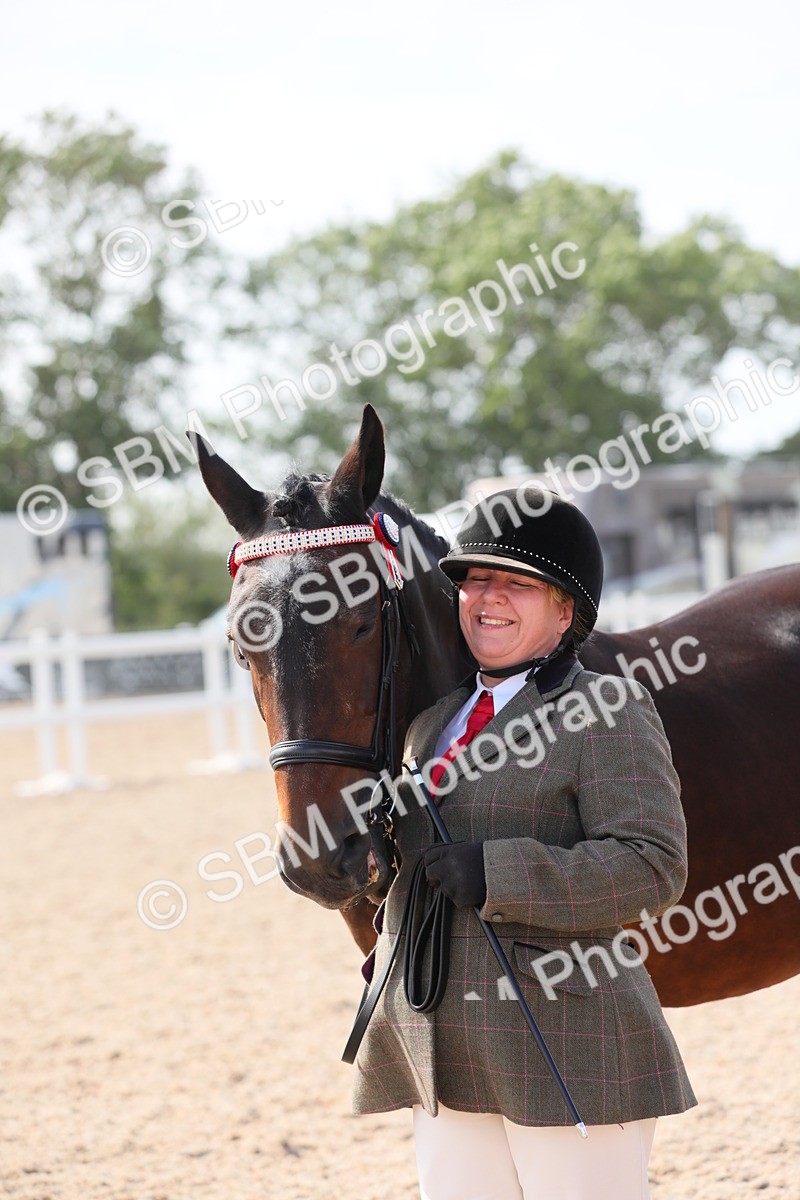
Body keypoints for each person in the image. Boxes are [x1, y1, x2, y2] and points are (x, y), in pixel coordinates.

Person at [351, 487, 697, 1200]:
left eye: (518, 584)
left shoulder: (606, 710)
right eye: (477, 580)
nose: (489, 598)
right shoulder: (430, 726)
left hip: (568, 1041)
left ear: (566, 612)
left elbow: (654, 865)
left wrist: (498, 873)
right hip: (444, 1041)